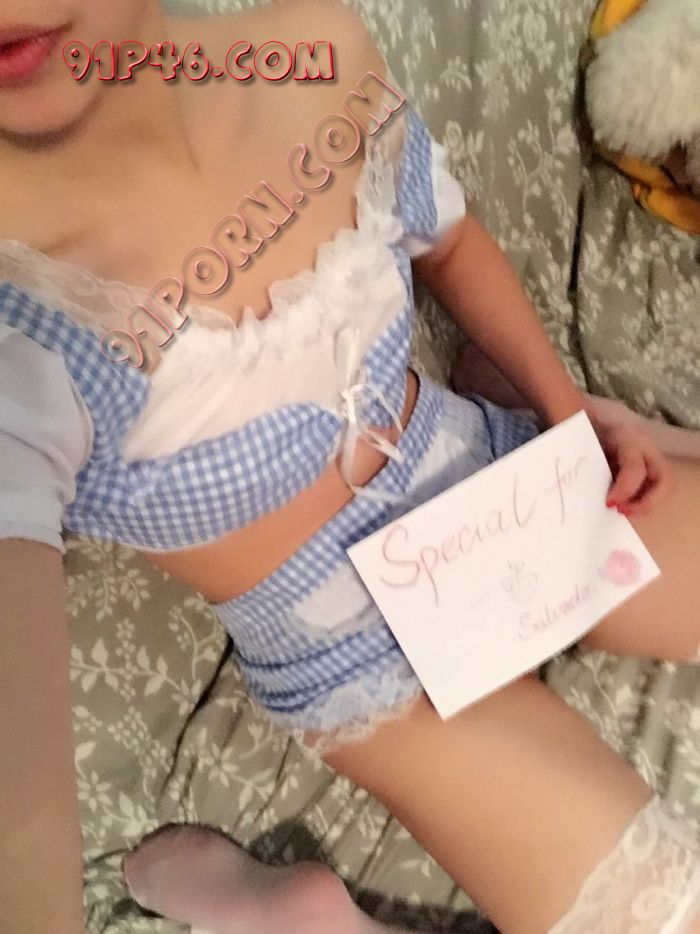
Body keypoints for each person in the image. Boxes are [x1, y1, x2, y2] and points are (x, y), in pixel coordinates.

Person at [1, 2, 700, 933]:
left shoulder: (316, 54)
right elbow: (22, 828)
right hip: (366, 665)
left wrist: (567, 410)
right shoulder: (18, 320)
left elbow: (447, 241)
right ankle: (306, 920)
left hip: (496, 490)